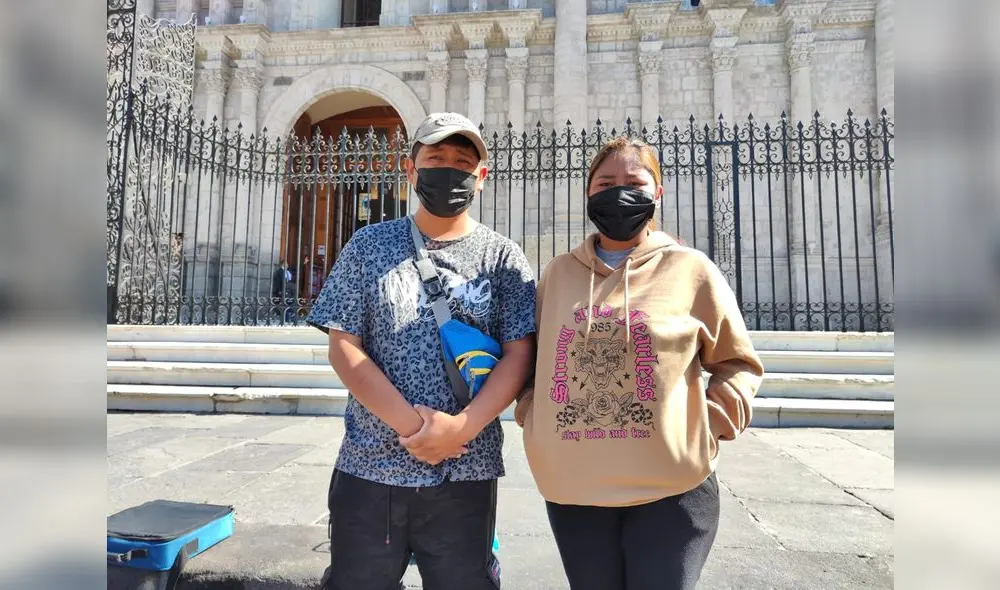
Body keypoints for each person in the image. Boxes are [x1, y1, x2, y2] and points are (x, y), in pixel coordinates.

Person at [515, 137, 764, 590]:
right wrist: (535, 418)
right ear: (588, 194)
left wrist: (707, 424)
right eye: (605, 182)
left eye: (634, 182)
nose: (618, 192)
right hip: (574, 490)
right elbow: (532, 360)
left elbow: (738, 362)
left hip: (671, 490)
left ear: (658, 193)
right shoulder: (558, 273)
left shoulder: (692, 269)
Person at [307, 112, 537, 590]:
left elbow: (519, 353)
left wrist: (460, 429)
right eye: (435, 157)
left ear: (481, 177)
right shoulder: (369, 244)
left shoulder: (503, 256)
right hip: (372, 462)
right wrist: (418, 429)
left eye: (462, 161)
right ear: (410, 169)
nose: (449, 169)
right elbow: (344, 345)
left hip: (466, 466)